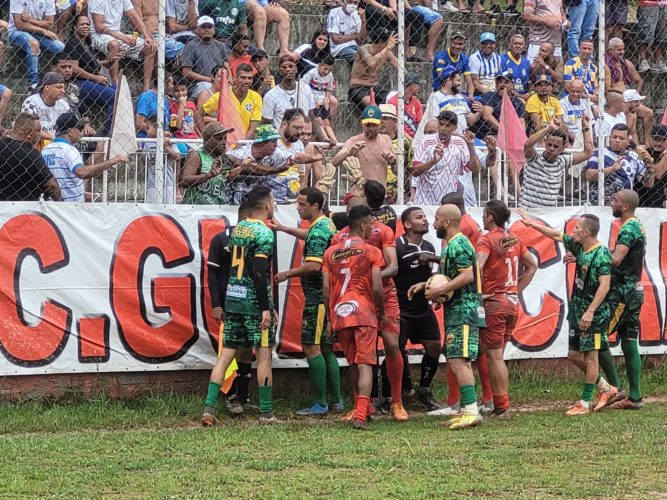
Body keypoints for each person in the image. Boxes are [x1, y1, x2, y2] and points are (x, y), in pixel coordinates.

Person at [519, 211, 613, 416]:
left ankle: (585, 403)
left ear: (587, 231)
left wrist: (590, 311)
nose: (574, 230)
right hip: (577, 311)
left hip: (593, 315)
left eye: (577, 228)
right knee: (573, 355)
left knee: (591, 357)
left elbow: (604, 286)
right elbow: (556, 235)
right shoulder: (579, 247)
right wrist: (532, 224)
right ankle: (606, 388)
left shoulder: (601, 254)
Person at [201, 185, 278, 426]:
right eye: (273, 202)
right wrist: (266, 307)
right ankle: (266, 413)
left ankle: (209, 408)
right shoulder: (264, 233)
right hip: (254, 303)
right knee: (264, 357)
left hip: (233, 300)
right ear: (266, 205)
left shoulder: (240, 229)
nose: (275, 205)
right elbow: (259, 273)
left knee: (225, 356)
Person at [408, 204, 485, 429]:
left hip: (464, 310)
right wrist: (426, 284)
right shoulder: (452, 245)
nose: (433, 223)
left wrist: (440, 291)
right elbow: (448, 277)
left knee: (457, 359)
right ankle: (468, 409)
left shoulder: (459, 244)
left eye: (437, 219)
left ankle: (471, 411)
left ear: (447, 222)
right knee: (458, 359)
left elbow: (469, 275)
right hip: (458, 309)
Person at [332, 197, 407, 422]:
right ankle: (362, 407)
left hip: (384, 294)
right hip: (356, 299)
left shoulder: (382, 231)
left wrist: (367, 276)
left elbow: (393, 267)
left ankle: (396, 402)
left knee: (392, 344)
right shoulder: (339, 237)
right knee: (357, 355)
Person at [274, 187, 343, 416]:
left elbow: (313, 265)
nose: (298, 207)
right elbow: (311, 235)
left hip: (317, 299)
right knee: (326, 348)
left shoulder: (318, 231)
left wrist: (287, 273)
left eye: (302, 204)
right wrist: (284, 229)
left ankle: (320, 403)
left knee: (312, 347)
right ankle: (337, 400)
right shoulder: (325, 224)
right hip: (327, 298)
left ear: (315, 206)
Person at [322, 205, 385, 430]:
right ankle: (360, 414)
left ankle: (364, 409)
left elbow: (326, 289)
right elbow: (377, 287)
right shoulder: (372, 251)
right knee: (366, 363)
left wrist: (330, 318)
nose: (373, 229)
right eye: (371, 225)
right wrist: (382, 312)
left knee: (353, 363)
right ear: (362, 225)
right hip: (363, 312)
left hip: (340, 314)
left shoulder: (330, 252)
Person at [476, 200, 537, 417]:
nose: (482, 218)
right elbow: (532, 266)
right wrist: (516, 289)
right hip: (512, 303)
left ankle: (501, 406)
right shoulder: (514, 239)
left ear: (491, 216)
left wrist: (477, 292)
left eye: (484, 214)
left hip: (494, 303)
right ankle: (497, 402)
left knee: (494, 357)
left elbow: (477, 265)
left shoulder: (487, 240)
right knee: (496, 355)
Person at [597, 190, 647, 410]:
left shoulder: (628, 228)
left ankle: (615, 388)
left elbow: (616, 259)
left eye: (615, 200)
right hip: (635, 291)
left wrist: (592, 253)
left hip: (623, 293)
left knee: (597, 337)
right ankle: (634, 397)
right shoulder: (637, 225)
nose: (611, 203)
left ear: (625, 206)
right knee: (628, 341)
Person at [207, 200, 254, 415]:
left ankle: (242, 396)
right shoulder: (221, 238)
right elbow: (212, 273)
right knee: (228, 352)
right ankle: (226, 397)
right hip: (229, 305)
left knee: (245, 352)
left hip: (250, 304)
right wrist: (216, 304)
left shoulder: (258, 239)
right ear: (247, 217)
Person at [393, 207, 443, 410]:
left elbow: (433, 275)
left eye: (425, 217)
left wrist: (437, 292)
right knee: (395, 350)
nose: (425, 220)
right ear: (407, 224)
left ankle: (424, 390)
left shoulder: (430, 247)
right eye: (419, 217)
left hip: (423, 308)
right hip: (400, 308)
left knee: (435, 347)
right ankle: (397, 394)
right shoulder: (397, 247)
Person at [41, 113, 126, 202]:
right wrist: (112, 161)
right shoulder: (69, 150)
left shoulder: (45, 149)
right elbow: (81, 172)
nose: (82, 132)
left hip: (51, 205)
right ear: (70, 131)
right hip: (71, 206)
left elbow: (62, 179)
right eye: (80, 128)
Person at [521, 115, 593, 207]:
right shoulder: (535, 158)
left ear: (562, 148)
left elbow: (588, 152)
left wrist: (586, 128)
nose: (551, 148)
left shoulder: (562, 161)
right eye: (549, 145)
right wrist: (548, 129)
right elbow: (527, 144)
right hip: (527, 212)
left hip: (548, 214)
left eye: (555, 146)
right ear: (546, 144)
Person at [412, 110, 480, 206]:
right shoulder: (425, 141)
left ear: (455, 128)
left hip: (448, 205)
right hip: (425, 203)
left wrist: (471, 146)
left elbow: (475, 169)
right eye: (441, 124)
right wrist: (433, 161)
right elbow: (415, 172)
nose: (443, 128)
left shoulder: (460, 143)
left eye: (447, 126)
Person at [63, 14, 116, 135]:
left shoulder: (86, 44)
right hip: (79, 83)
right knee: (114, 97)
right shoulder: (73, 43)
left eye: (88, 24)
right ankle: (108, 134)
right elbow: (74, 69)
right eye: (82, 24)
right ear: (75, 27)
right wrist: (96, 78)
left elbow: (92, 62)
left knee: (119, 91)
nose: (85, 26)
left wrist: (110, 61)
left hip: (90, 81)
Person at [88, 0, 156, 91]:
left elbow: (134, 16)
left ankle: (146, 87)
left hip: (117, 34)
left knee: (149, 47)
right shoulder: (97, 1)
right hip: (98, 35)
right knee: (114, 44)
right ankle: (115, 84)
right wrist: (122, 38)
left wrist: (146, 36)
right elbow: (99, 27)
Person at [224, 124, 293, 204]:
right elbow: (251, 168)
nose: (276, 145)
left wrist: (303, 158)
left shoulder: (275, 153)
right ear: (261, 142)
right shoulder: (240, 153)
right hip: (235, 198)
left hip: (260, 199)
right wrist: (277, 170)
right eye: (273, 142)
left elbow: (295, 157)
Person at [0, 113, 61, 201]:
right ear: (28, 133)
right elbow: (52, 186)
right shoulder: (32, 155)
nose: (41, 134)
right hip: (27, 208)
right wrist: (60, 201)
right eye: (38, 130)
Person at [331, 105, 395, 188]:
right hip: (360, 192)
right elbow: (333, 163)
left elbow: (397, 171)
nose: (371, 128)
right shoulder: (354, 141)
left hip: (379, 194)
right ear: (362, 124)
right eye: (368, 125)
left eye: (374, 125)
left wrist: (393, 161)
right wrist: (348, 152)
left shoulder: (386, 140)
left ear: (381, 123)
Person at [7, 0, 65, 90]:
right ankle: (33, 83)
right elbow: (20, 24)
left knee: (60, 47)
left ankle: (58, 80)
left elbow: (49, 23)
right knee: (33, 44)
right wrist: (43, 30)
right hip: (17, 32)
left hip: (37, 34)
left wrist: (30, 20)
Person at [586, 124, 648, 206]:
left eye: (621, 138)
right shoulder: (599, 152)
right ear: (609, 138)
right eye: (614, 137)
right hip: (601, 204)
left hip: (625, 205)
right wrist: (611, 169)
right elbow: (589, 176)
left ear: (628, 141)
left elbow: (647, 183)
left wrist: (651, 166)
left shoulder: (634, 157)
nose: (617, 140)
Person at [605, 38, 654, 143]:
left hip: (630, 98)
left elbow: (639, 80)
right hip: (616, 101)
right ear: (610, 51)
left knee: (648, 113)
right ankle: (628, 143)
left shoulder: (626, 63)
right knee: (631, 116)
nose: (622, 52)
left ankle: (647, 144)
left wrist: (636, 96)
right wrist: (619, 98)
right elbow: (608, 89)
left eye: (623, 49)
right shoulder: (606, 66)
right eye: (618, 50)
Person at [418, 65, 482, 141]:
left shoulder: (460, 97)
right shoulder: (436, 97)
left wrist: (480, 112)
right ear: (449, 81)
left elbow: (468, 121)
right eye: (458, 80)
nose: (460, 83)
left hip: (463, 139)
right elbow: (435, 123)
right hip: (447, 139)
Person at [198, 63, 262, 139]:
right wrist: (206, 137)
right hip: (224, 143)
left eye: (250, 78)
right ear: (235, 78)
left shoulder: (256, 97)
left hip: (245, 143)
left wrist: (242, 144)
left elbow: (253, 127)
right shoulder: (222, 95)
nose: (247, 81)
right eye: (243, 78)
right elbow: (198, 114)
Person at [181, 122, 238, 205]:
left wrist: (243, 166)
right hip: (195, 210)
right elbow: (185, 181)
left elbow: (243, 164)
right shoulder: (197, 154)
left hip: (217, 210)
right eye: (219, 138)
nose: (223, 142)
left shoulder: (225, 159)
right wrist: (208, 175)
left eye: (225, 139)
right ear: (208, 139)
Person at [262, 55, 318, 134]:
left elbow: (311, 117)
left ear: (296, 69)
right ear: (279, 71)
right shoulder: (271, 95)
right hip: (282, 138)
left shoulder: (305, 88)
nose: (287, 69)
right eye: (284, 67)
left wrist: (324, 138)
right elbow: (266, 124)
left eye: (291, 66)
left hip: (302, 137)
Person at [180, 17, 231, 101]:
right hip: (199, 84)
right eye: (203, 27)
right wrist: (207, 79)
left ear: (214, 30)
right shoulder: (191, 46)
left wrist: (230, 80)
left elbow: (226, 66)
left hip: (220, 81)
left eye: (209, 27)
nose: (207, 30)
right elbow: (186, 72)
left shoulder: (220, 45)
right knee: (207, 88)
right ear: (197, 30)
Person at [348, 32, 398, 108]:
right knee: (371, 104)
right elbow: (371, 63)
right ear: (381, 42)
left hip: (376, 88)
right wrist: (387, 47)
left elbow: (400, 68)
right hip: (359, 88)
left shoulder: (387, 53)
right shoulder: (363, 49)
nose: (392, 46)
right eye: (390, 43)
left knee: (395, 100)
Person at [21, 72, 71, 148]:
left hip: (60, 145)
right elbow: (29, 129)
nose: (63, 91)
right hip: (36, 145)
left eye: (63, 88)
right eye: (59, 87)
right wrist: (53, 137)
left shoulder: (64, 105)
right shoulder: (31, 103)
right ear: (47, 87)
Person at [474, 71, 526, 139]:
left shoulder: (518, 102)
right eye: (500, 82)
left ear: (513, 85)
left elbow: (522, 124)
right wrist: (504, 131)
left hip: (512, 136)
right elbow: (487, 116)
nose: (502, 84)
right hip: (491, 134)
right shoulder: (490, 96)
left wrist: (517, 135)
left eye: (506, 82)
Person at [378, 104, 413, 203]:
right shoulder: (371, 142)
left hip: (399, 190)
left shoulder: (405, 143)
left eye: (385, 119)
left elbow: (411, 169)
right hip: (377, 189)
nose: (381, 122)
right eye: (379, 119)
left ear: (395, 121)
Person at [300, 54, 338, 144]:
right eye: (325, 69)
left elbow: (328, 88)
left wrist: (327, 98)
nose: (327, 72)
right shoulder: (312, 73)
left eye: (329, 70)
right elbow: (302, 86)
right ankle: (325, 140)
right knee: (319, 121)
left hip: (322, 100)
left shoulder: (330, 75)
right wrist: (312, 98)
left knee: (327, 122)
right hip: (313, 100)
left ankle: (335, 141)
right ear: (319, 65)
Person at [432, 32, 473, 100]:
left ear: (464, 45)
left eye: (460, 44)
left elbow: (469, 82)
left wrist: (470, 97)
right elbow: (443, 79)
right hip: (441, 91)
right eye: (455, 43)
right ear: (450, 42)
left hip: (456, 91)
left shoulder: (464, 59)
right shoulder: (441, 57)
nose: (457, 46)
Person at [636, 124, 667, 207]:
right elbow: (657, 174)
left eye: (663, 140)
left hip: (658, 205)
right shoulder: (643, 153)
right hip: (640, 202)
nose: (658, 143)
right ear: (650, 139)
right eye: (656, 139)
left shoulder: (664, 157)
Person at [386, 73, 423, 139]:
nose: (419, 88)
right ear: (412, 86)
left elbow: (419, 123)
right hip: (399, 138)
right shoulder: (393, 101)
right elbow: (394, 126)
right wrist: (410, 141)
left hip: (415, 137)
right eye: (418, 85)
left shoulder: (416, 102)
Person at [327, 0, 366, 64]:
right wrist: (354, 36)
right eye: (350, 2)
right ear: (345, 1)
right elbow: (336, 39)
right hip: (338, 47)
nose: (353, 5)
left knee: (368, 53)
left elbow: (360, 40)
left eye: (355, 3)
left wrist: (363, 20)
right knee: (357, 56)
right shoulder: (334, 12)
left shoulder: (357, 14)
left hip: (353, 45)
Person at [637, 0, 667, 73]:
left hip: (663, 4)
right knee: (645, 33)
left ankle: (657, 62)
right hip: (648, 3)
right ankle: (643, 61)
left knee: (661, 35)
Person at [169, 82, 200, 154]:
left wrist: (199, 136)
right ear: (172, 92)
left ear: (187, 90)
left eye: (183, 90)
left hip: (193, 138)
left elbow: (194, 124)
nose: (180, 93)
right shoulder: (171, 105)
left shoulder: (191, 104)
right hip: (180, 138)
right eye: (176, 91)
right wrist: (181, 105)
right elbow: (177, 126)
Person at [500, 34, 531, 99]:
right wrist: (519, 96)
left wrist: (530, 93)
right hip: (508, 95)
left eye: (520, 44)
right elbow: (502, 84)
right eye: (515, 43)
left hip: (524, 95)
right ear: (510, 46)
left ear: (524, 47)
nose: (518, 46)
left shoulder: (526, 62)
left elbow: (529, 82)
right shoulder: (502, 59)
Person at [560, 79, 588, 144]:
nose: (575, 94)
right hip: (570, 139)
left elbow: (590, 124)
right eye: (573, 91)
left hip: (585, 135)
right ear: (569, 90)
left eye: (578, 92)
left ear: (582, 92)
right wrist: (577, 141)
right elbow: (564, 126)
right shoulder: (562, 104)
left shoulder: (585, 103)